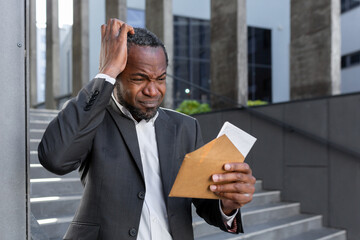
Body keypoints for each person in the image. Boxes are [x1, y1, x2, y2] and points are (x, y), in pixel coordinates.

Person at [38, 19, 256, 240]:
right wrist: (107, 70)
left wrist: (227, 205)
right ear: (118, 76)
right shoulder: (92, 119)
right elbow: (55, 158)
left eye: (160, 79)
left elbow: (204, 202)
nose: (153, 90)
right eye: (139, 78)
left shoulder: (186, 127)